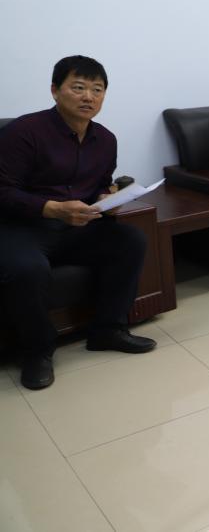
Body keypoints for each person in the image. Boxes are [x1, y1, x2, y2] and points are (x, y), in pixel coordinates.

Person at [0, 56, 157, 391]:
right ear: (55, 90)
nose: (89, 97)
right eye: (79, 87)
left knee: (130, 240)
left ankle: (107, 330)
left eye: (97, 90)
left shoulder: (106, 140)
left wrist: (108, 198)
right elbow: (3, 191)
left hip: (75, 226)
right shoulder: (23, 132)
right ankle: (37, 351)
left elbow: (100, 184)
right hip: (22, 228)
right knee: (27, 268)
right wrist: (52, 209)